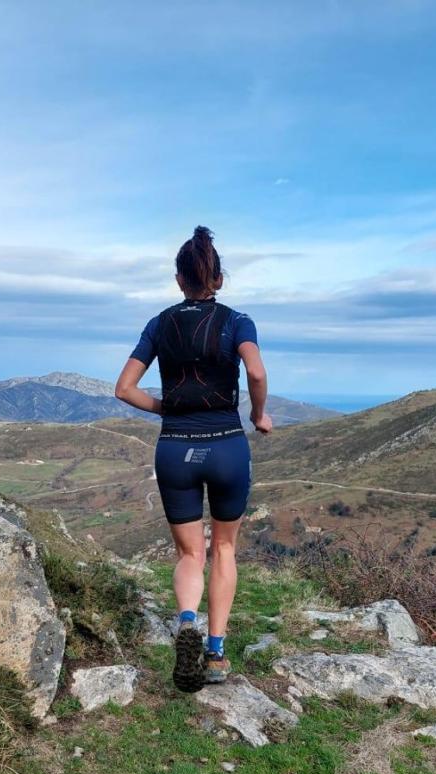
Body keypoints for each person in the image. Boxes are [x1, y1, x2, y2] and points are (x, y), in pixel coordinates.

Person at [114, 226, 271, 691]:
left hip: (174, 449)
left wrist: (168, 408)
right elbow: (257, 372)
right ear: (217, 279)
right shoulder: (237, 320)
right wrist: (258, 415)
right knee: (223, 549)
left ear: (179, 280)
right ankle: (216, 653)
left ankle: (187, 621)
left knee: (189, 552)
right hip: (226, 444)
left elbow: (124, 389)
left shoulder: (159, 324)